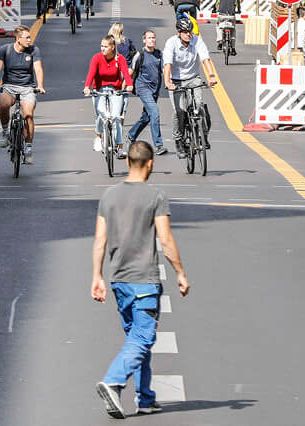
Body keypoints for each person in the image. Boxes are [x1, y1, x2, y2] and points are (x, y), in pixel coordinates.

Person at [91, 140, 189, 418]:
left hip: (119, 280)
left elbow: (100, 240)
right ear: (151, 163)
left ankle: (145, 398)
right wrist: (180, 273)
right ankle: (113, 381)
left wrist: (97, 275)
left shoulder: (108, 196)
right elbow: (166, 240)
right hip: (144, 281)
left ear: (126, 162)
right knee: (143, 338)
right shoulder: (155, 196)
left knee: (137, 338)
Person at [163, 17, 217, 156]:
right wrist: (168, 82)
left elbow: (205, 59)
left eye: (190, 32)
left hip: (193, 78)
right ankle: (179, 141)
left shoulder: (196, 40)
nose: (188, 34)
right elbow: (167, 64)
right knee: (179, 111)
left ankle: (203, 136)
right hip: (176, 81)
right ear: (179, 32)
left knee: (199, 106)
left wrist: (211, 76)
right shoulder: (171, 43)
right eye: (185, 32)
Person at [0, 25, 46, 163]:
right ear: (18, 39)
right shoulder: (6, 49)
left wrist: (40, 86)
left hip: (27, 87)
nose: (29, 40)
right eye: (27, 38)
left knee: (28, 115)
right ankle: (5, 132)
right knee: (3, 105)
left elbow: (38, 69)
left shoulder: (34, 50)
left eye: (30, 37)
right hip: (9, 86)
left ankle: (28, 147)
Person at [85, 35, 134, 156]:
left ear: (112, 47)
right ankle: (98, 137)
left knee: (116, 117)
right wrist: (87, 87)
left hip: (115, 89)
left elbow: (125, 73)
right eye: (101, 46)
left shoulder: (119, 58)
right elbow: (91, 73)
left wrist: (129, 85)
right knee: (101, 114)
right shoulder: (96, 58)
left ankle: (120, 147)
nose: (102, 48)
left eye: (105, 46)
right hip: (99, 89)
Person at [126, 30, 167, 155]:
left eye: (153, 38)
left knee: (147, 117)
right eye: (149, 38)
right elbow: (131, 71)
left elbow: (165, 69)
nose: (152, 40)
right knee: (154, 112)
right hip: (143, 88)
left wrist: (168, 82)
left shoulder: (159, 54)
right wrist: (125, 85)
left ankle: (131, 135)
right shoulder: (140, 55)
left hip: (155, 89)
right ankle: (159, 145)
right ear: (144, 40)